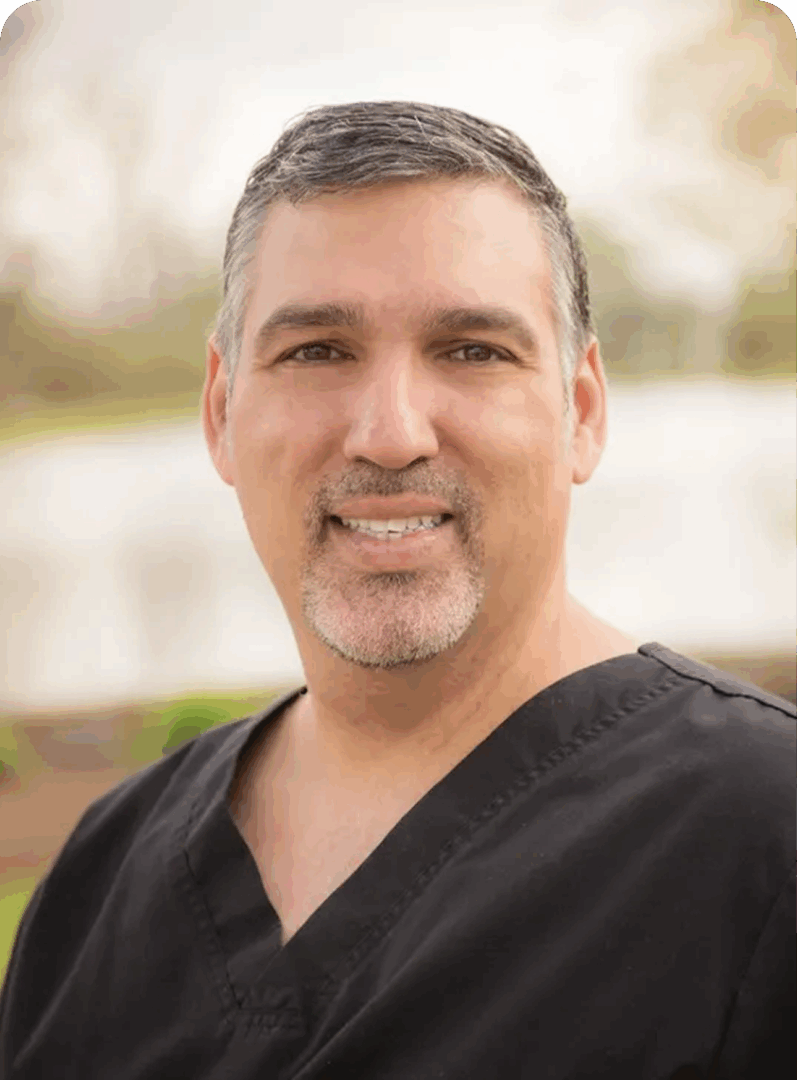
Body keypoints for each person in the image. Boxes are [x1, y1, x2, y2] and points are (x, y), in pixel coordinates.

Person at [0, 100, 793, 1080]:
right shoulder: (103, 877)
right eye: (316, 351)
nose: (389, 433)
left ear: (581, 413)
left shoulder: (761, 837)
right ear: (221, 411)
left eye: (472, 350)